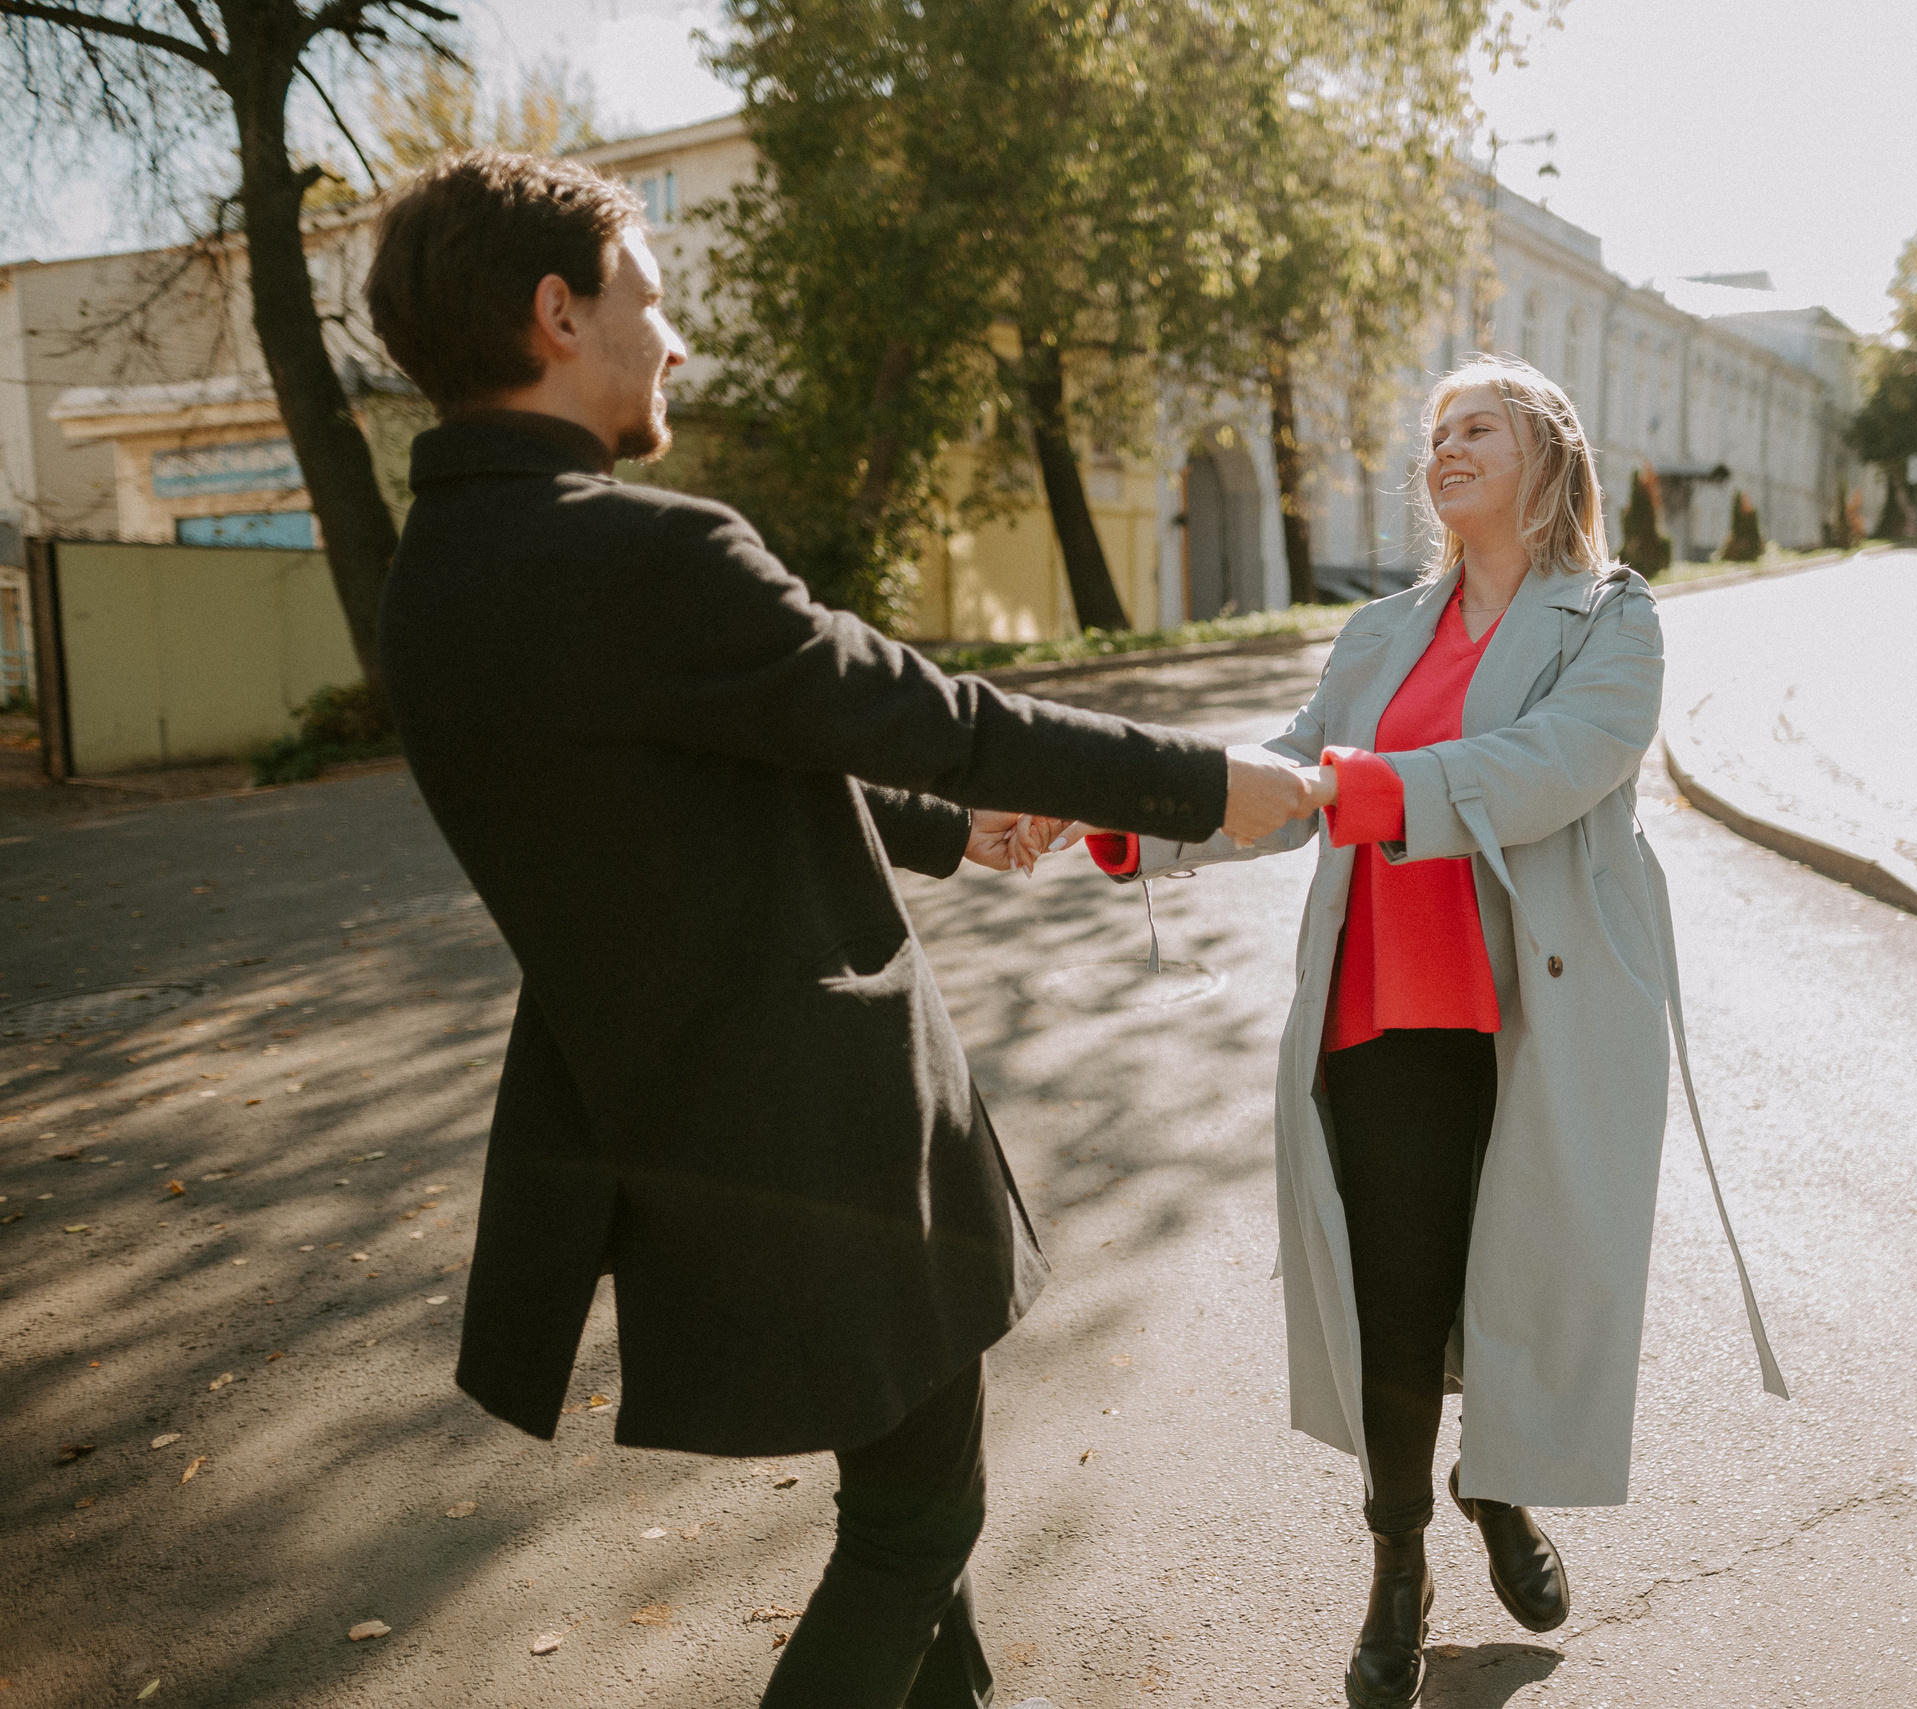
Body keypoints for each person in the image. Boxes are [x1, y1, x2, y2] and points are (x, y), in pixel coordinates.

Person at [360, 150, 1317, 1709]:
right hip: (830, 1122)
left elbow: (698, 771)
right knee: (915, 1526)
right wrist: (1213, 784)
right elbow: (935, 716)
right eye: (648, 300)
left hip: (672, 1123)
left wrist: (951, 828)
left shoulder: (434, 584)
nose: (676, 342)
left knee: (911, 1511)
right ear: (557, 314)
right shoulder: (648, 554)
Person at [1064, 356, 1785, 1708]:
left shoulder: (1610, 617)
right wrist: (1126, 811)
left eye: (1478, 427)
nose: (1444, 447)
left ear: (1547, 455)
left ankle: (1496, 1485)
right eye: (1436, 431)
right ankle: (1398, 1560)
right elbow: (1284, 772)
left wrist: (1373, 788)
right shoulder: (1381, 632)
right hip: (1382, 1010)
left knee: (1515, 1281)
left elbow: (1557, 764)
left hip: (1535, 1018)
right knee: (1394, 1312)